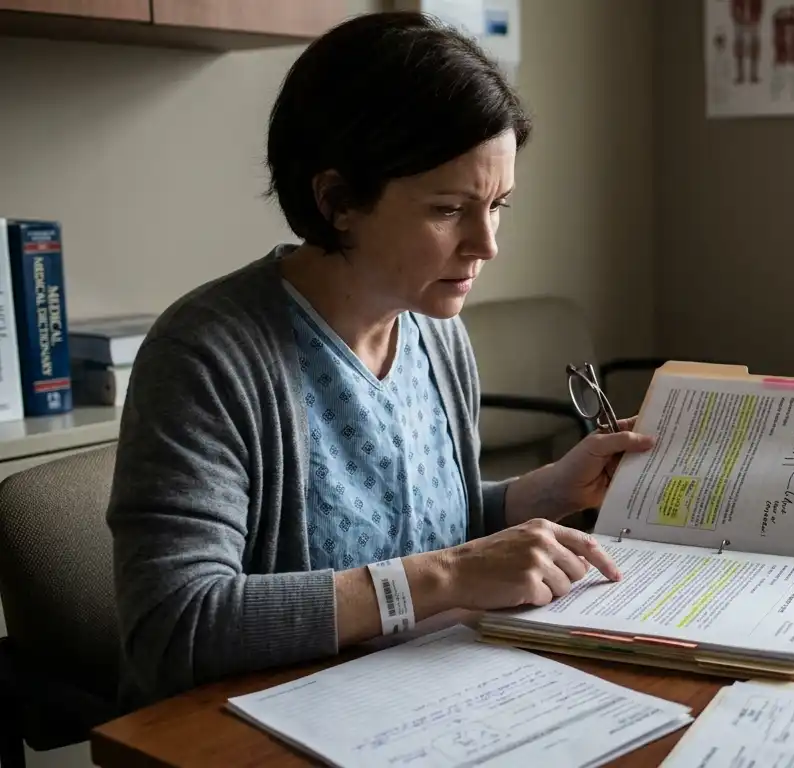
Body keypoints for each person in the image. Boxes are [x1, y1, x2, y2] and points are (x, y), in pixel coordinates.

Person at [105, 11, 653, 709]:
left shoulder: (434, 329)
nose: (486, 245)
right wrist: (446, 576)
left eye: (498, 205)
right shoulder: (208, 355)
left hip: (422, 697)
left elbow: (425, 532)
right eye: (450, 209)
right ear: (337, 201)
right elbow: (175, 627)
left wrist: (544, 494)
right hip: (258, 728)